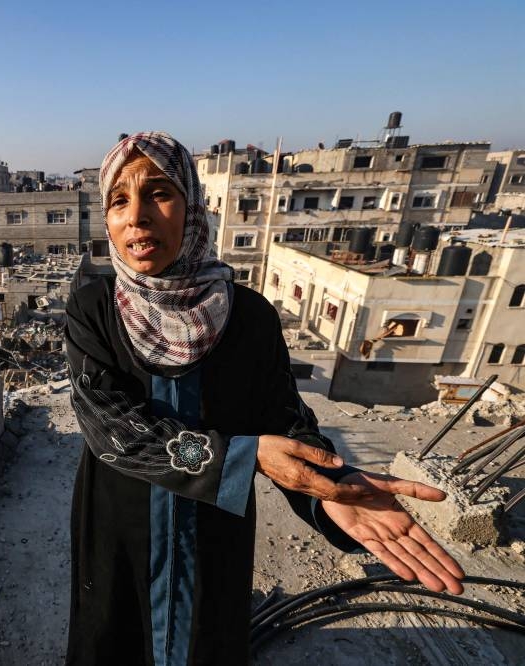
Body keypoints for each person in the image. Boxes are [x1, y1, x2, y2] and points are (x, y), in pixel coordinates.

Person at [65, 132, 465, 665]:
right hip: (117, 527)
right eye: (119, 201)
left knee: (203, 642)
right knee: (115, 642)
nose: (136, 216)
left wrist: (330, 487)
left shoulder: (248, 317)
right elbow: (112, 427)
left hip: (213, 534)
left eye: (159, 193)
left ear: (192, 205)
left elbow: (284, 419)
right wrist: (241, 456)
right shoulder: (93, 309)